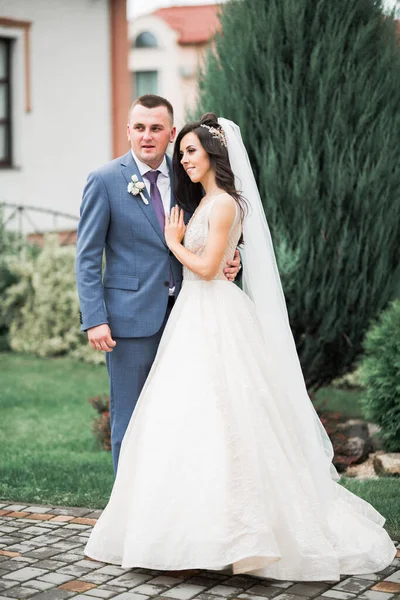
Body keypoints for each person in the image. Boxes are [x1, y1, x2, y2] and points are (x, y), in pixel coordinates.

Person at [84, 114, 395, 580]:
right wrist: (222, 253)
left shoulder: (224, 201)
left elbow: (206, 269)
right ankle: (186, 531)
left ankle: (245, 535)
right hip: (194, 315)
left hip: (214, 314)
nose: (183, 159)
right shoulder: (209, 201)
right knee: (191, 421)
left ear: (214, 154)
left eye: (190, 150)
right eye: (182, 152)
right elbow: (221, 256)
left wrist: (175, 243)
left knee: (229, 417)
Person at [75, 96, 241, 473]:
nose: (146, 136)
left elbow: (214, 228)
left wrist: (234, 258)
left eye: (155, 128)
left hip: (189, 316)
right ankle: (127, 515)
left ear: (170, 133)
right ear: (128, 131)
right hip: (129, 320)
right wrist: (95, 318)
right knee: (130, 419)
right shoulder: (104, 180)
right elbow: (87, 256)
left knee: (184, 417)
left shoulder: (188, 176)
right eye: (139, 128)